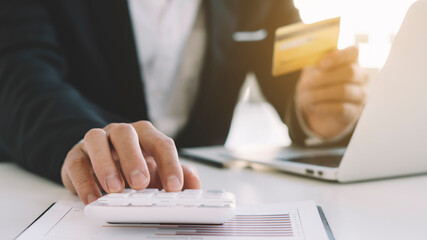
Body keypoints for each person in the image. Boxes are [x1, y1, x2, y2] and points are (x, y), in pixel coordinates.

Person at [0, 0, 368, 205]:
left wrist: (320, 112)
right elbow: (21, 73)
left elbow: (295, 77)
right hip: (60, 200)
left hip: (198, 201)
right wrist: (87, 141)